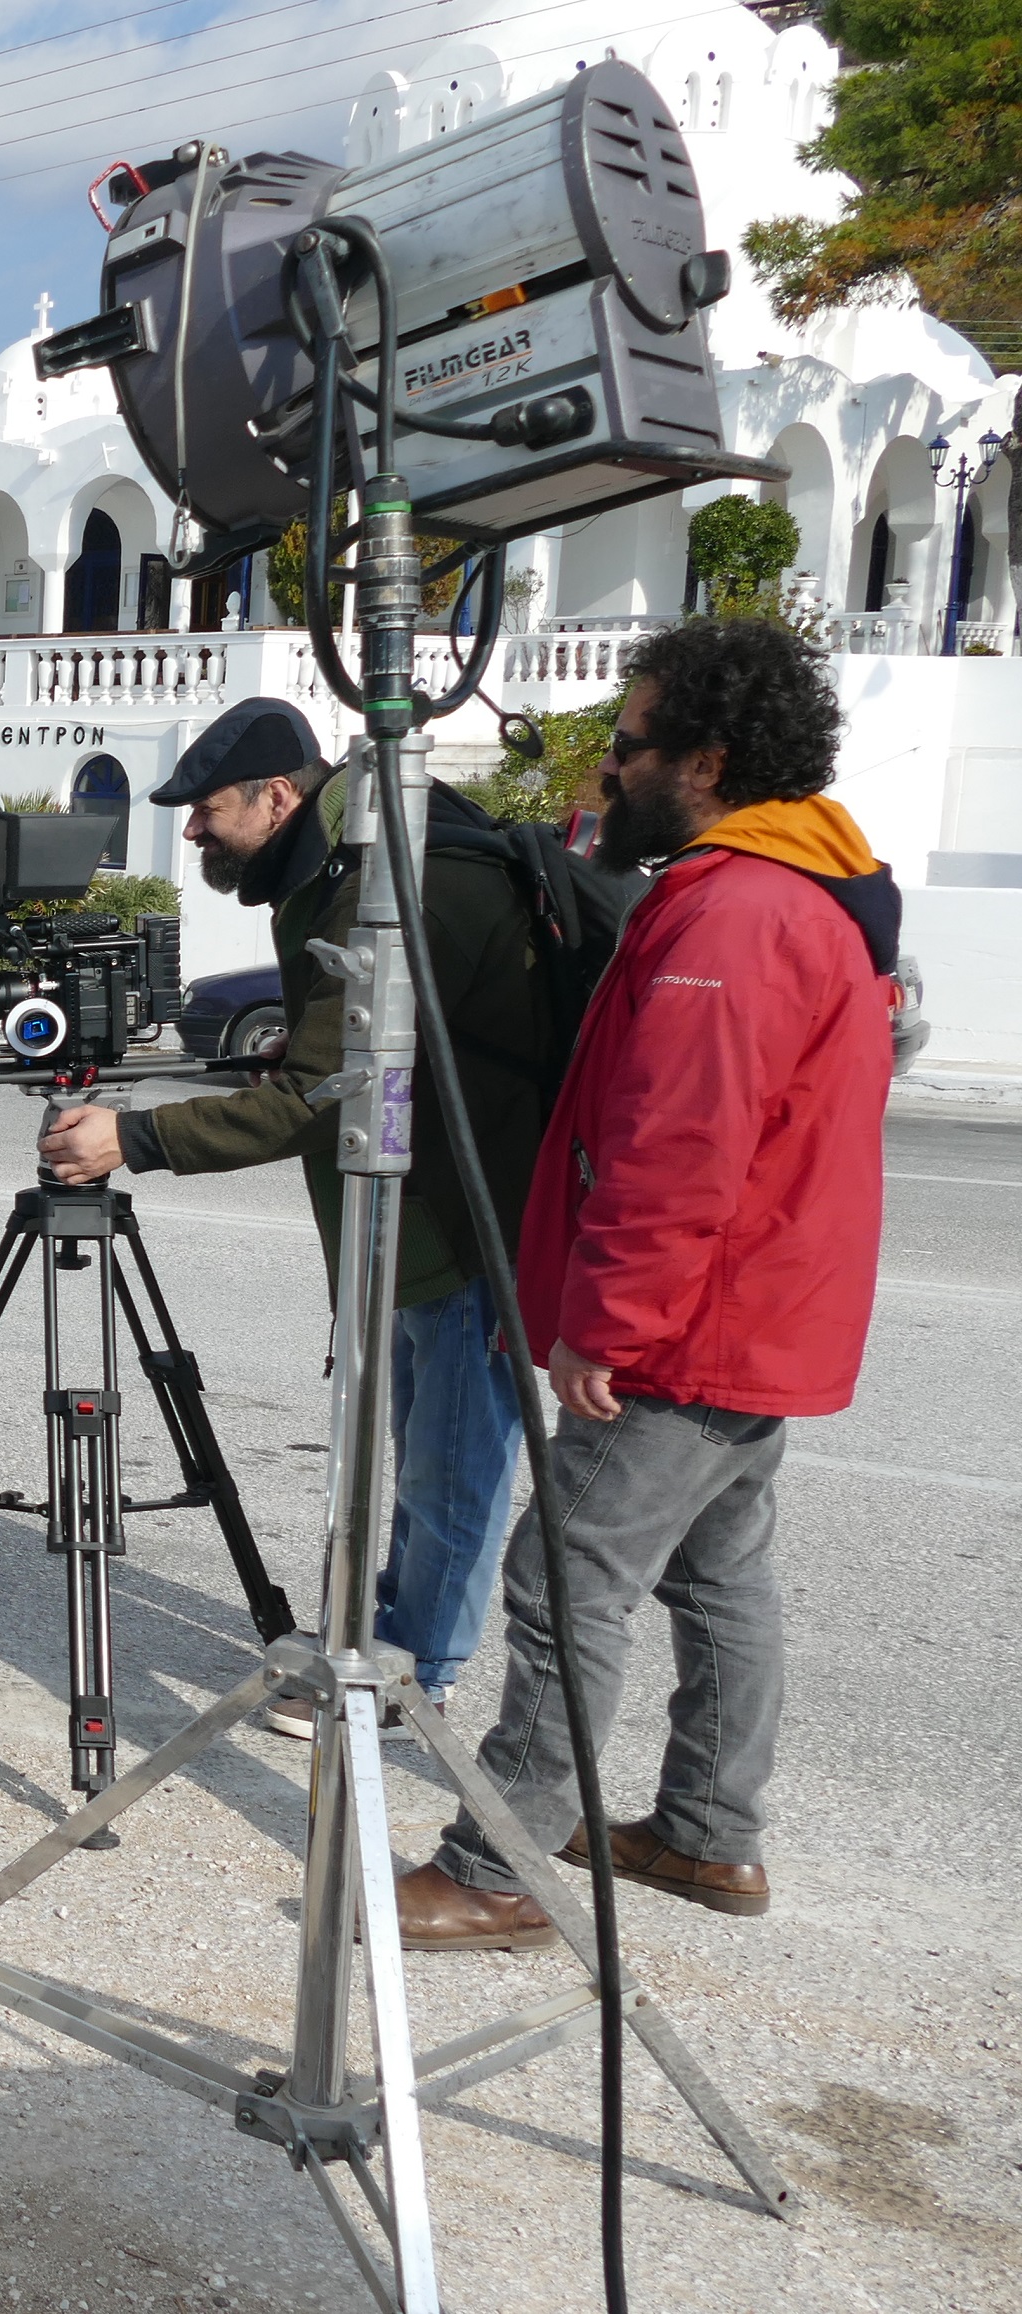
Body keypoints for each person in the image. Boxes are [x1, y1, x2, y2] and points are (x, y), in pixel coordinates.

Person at [395, 621, 893, 1949]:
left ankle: (501, 1865)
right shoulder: (798, 885)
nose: (609, 769)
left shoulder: (736, 913)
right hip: (756, 1315)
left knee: (566, 1575)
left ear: (707, 760)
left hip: (693, 1326)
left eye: (628, 745)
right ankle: (707, 1832)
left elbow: (679, 1146)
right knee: (720, 1575)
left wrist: (605, 1325)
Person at [35, 697, 549, 1731]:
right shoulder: (334, 866)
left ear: (278, 795)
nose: (193, 830)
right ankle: (379, 1634)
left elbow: (329, 1094)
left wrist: (135, 1138)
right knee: (413, 1452)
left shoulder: (390, 880)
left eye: (206, 809)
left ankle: (411, 1674)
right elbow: (350, 1051)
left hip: (469, 1224)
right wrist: (305, 1043)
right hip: (408, 1219)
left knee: (451, 1467)